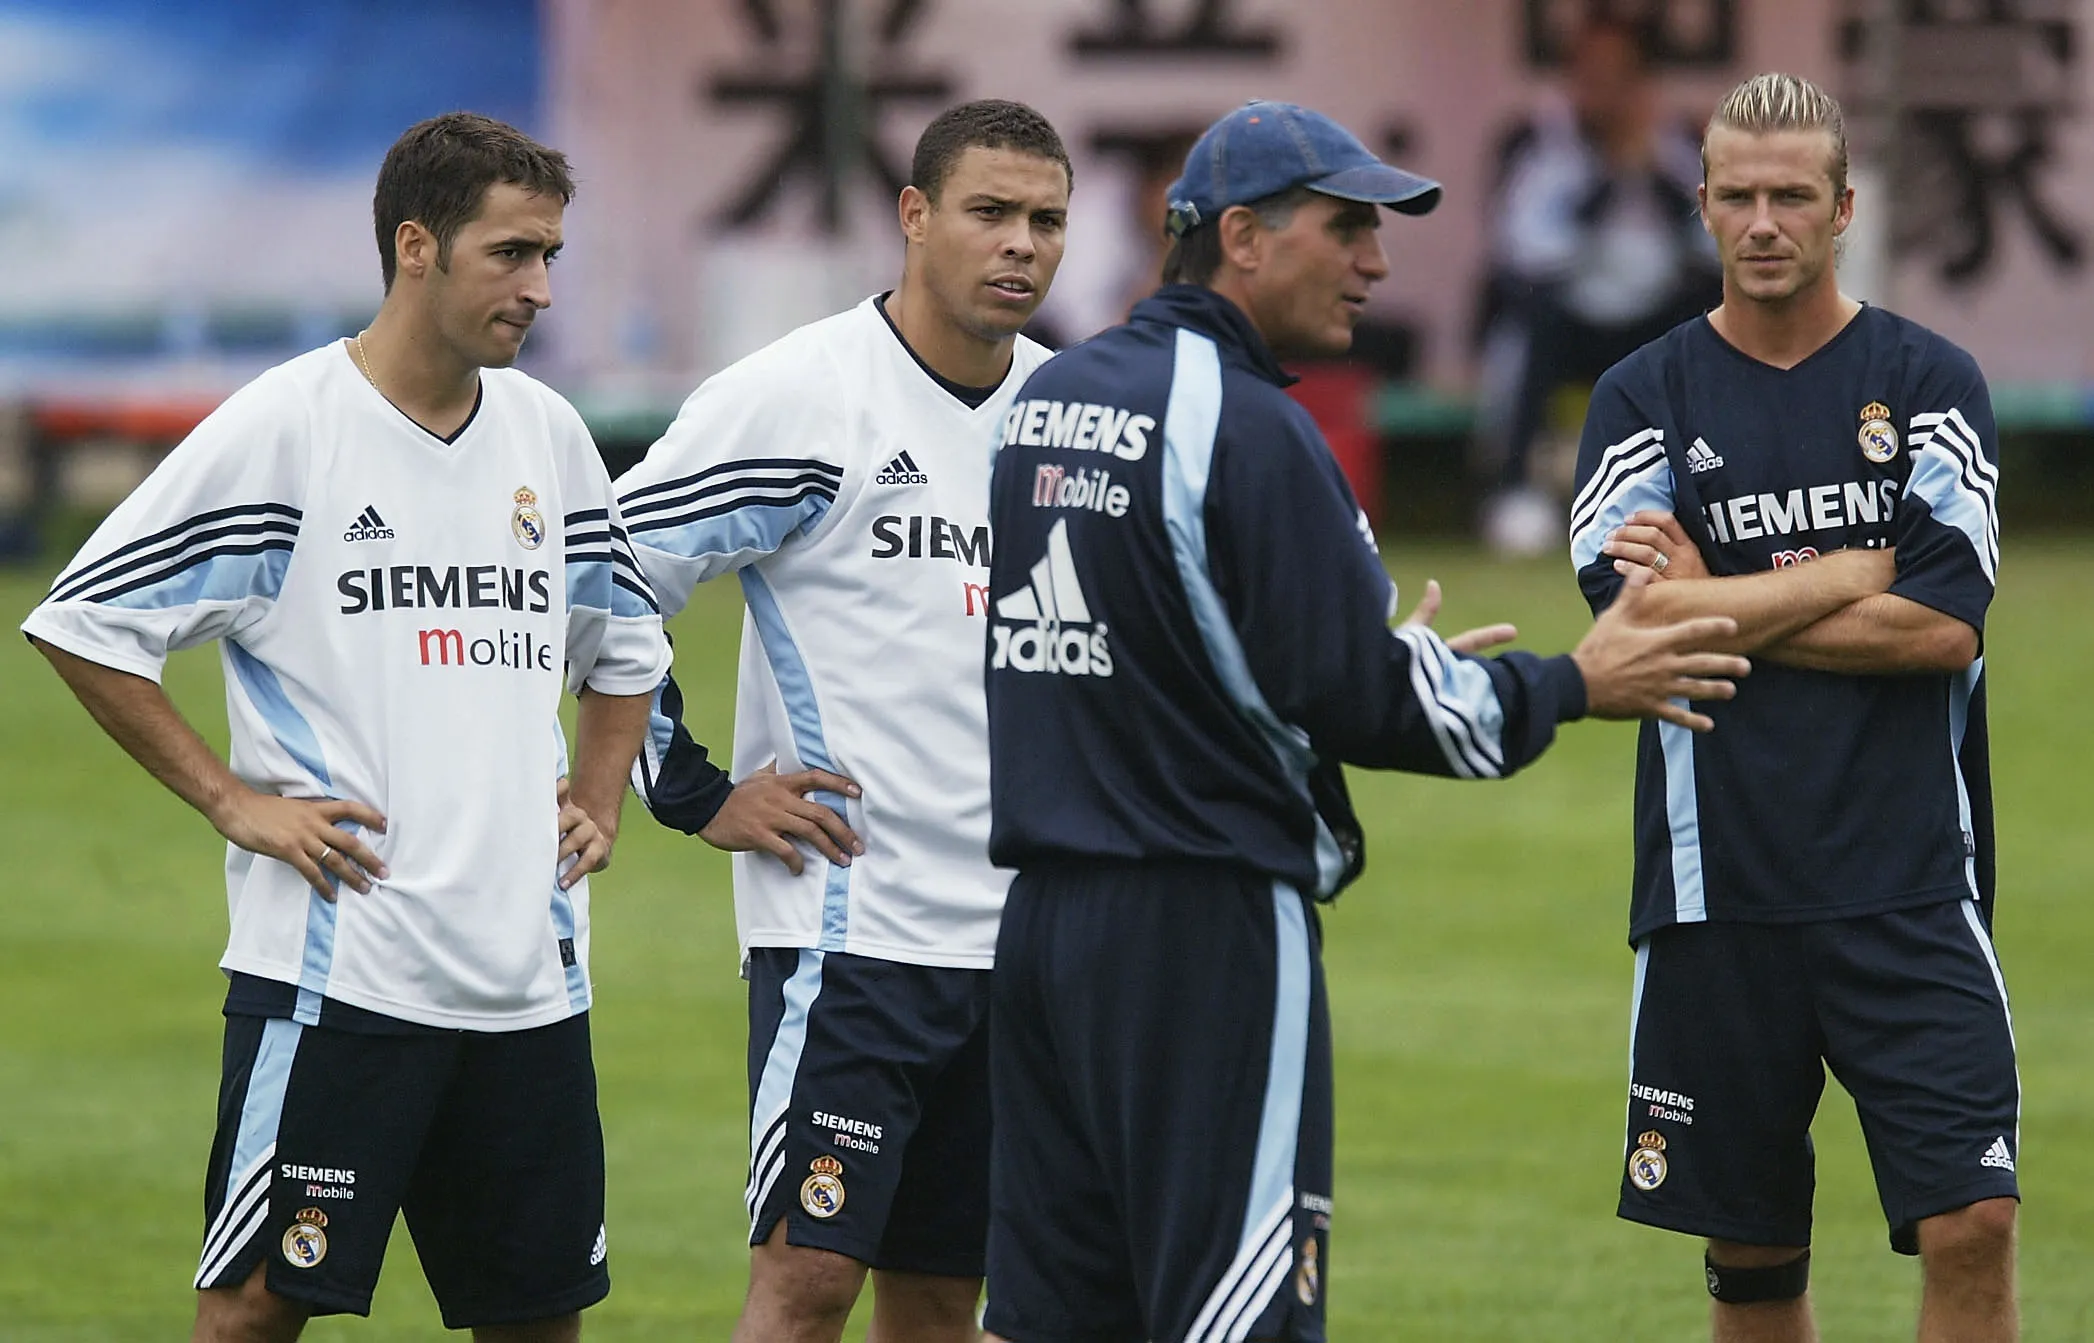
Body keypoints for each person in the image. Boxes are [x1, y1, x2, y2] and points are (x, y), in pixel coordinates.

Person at [977, 99, 1751, 1343]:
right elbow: (1363, 701)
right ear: (1243, 236)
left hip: (1044, 935)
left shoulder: (1050, 398)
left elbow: (1171, 651)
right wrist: (1577, 680)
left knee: (1053, 1318)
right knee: (1239, 1318)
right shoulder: (1253, 425)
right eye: (1346, 229)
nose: (1376, 265)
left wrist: (1361, 653)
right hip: (1206, 928)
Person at [22, 113, 668, 1342]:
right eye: (511, 252)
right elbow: (86, 620)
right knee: (252, 1312)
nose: (538, 288)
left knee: (537, 1318)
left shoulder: (550, 436)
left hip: (530, 982)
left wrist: (598, 790)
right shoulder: (289, 428)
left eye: (552, 257)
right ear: (415, 247)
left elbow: (627, 642)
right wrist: (232, 798)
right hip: (340, 978)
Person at [616, 100, 1071, 1342]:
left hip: (1026, 938)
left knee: (944, 1296)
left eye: (1045, 220)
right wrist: (695, 788)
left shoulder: (1069, 416)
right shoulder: (800, 397)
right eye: (990, 213)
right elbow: (600, 573)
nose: (1021, 245)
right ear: (914, 217)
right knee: (808, 1281)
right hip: (848, 927)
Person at [1571, 73, 2017, 1341]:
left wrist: (1725, 592)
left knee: (1974, 1222)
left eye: (1793, 196)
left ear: (1842, 210)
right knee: (1753, 1254)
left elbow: (1941, 627)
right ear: (1703, 204)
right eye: (1741, 195)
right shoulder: (1640, 400)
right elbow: (1637, 622)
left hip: (1912, 886)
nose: (1765, 221)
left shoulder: (1931, 382)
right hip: (1722, 896)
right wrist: (1841, 570)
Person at [1474, 17, 1720, 556]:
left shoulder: (1680, 141)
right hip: (1567, 319)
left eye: (1620, 77)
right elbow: (1529, 252)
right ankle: (1515, 491)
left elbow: (1713, 245)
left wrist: (1653, 176)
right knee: (1527, 325)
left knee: (1708, 327)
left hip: (1652, 318)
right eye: (1591, 76)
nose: (1605, 92)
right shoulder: (1535, 139)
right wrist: (1608, 181)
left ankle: (1705, 497)